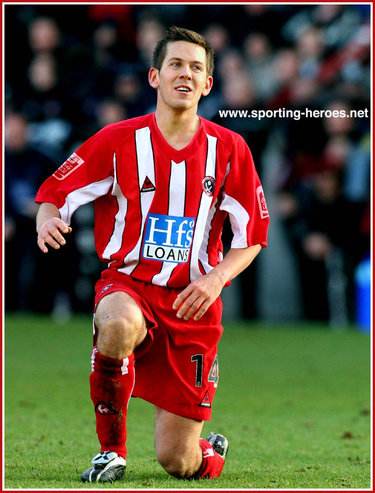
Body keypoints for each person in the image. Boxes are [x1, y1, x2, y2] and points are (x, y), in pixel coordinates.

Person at [35, 26, 269, 483]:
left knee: (177, 462)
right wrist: (47, 219)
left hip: (192, 304)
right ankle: (111, 452)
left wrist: (215, 278)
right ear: (154, 77)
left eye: (196, 68)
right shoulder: (119, 140)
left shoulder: (230, 149)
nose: (186, 73)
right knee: (117, 321)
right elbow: (55, 193)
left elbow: (253, 235)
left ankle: (208, 451)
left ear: (208, 84)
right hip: (130, 284)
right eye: (176, 64)